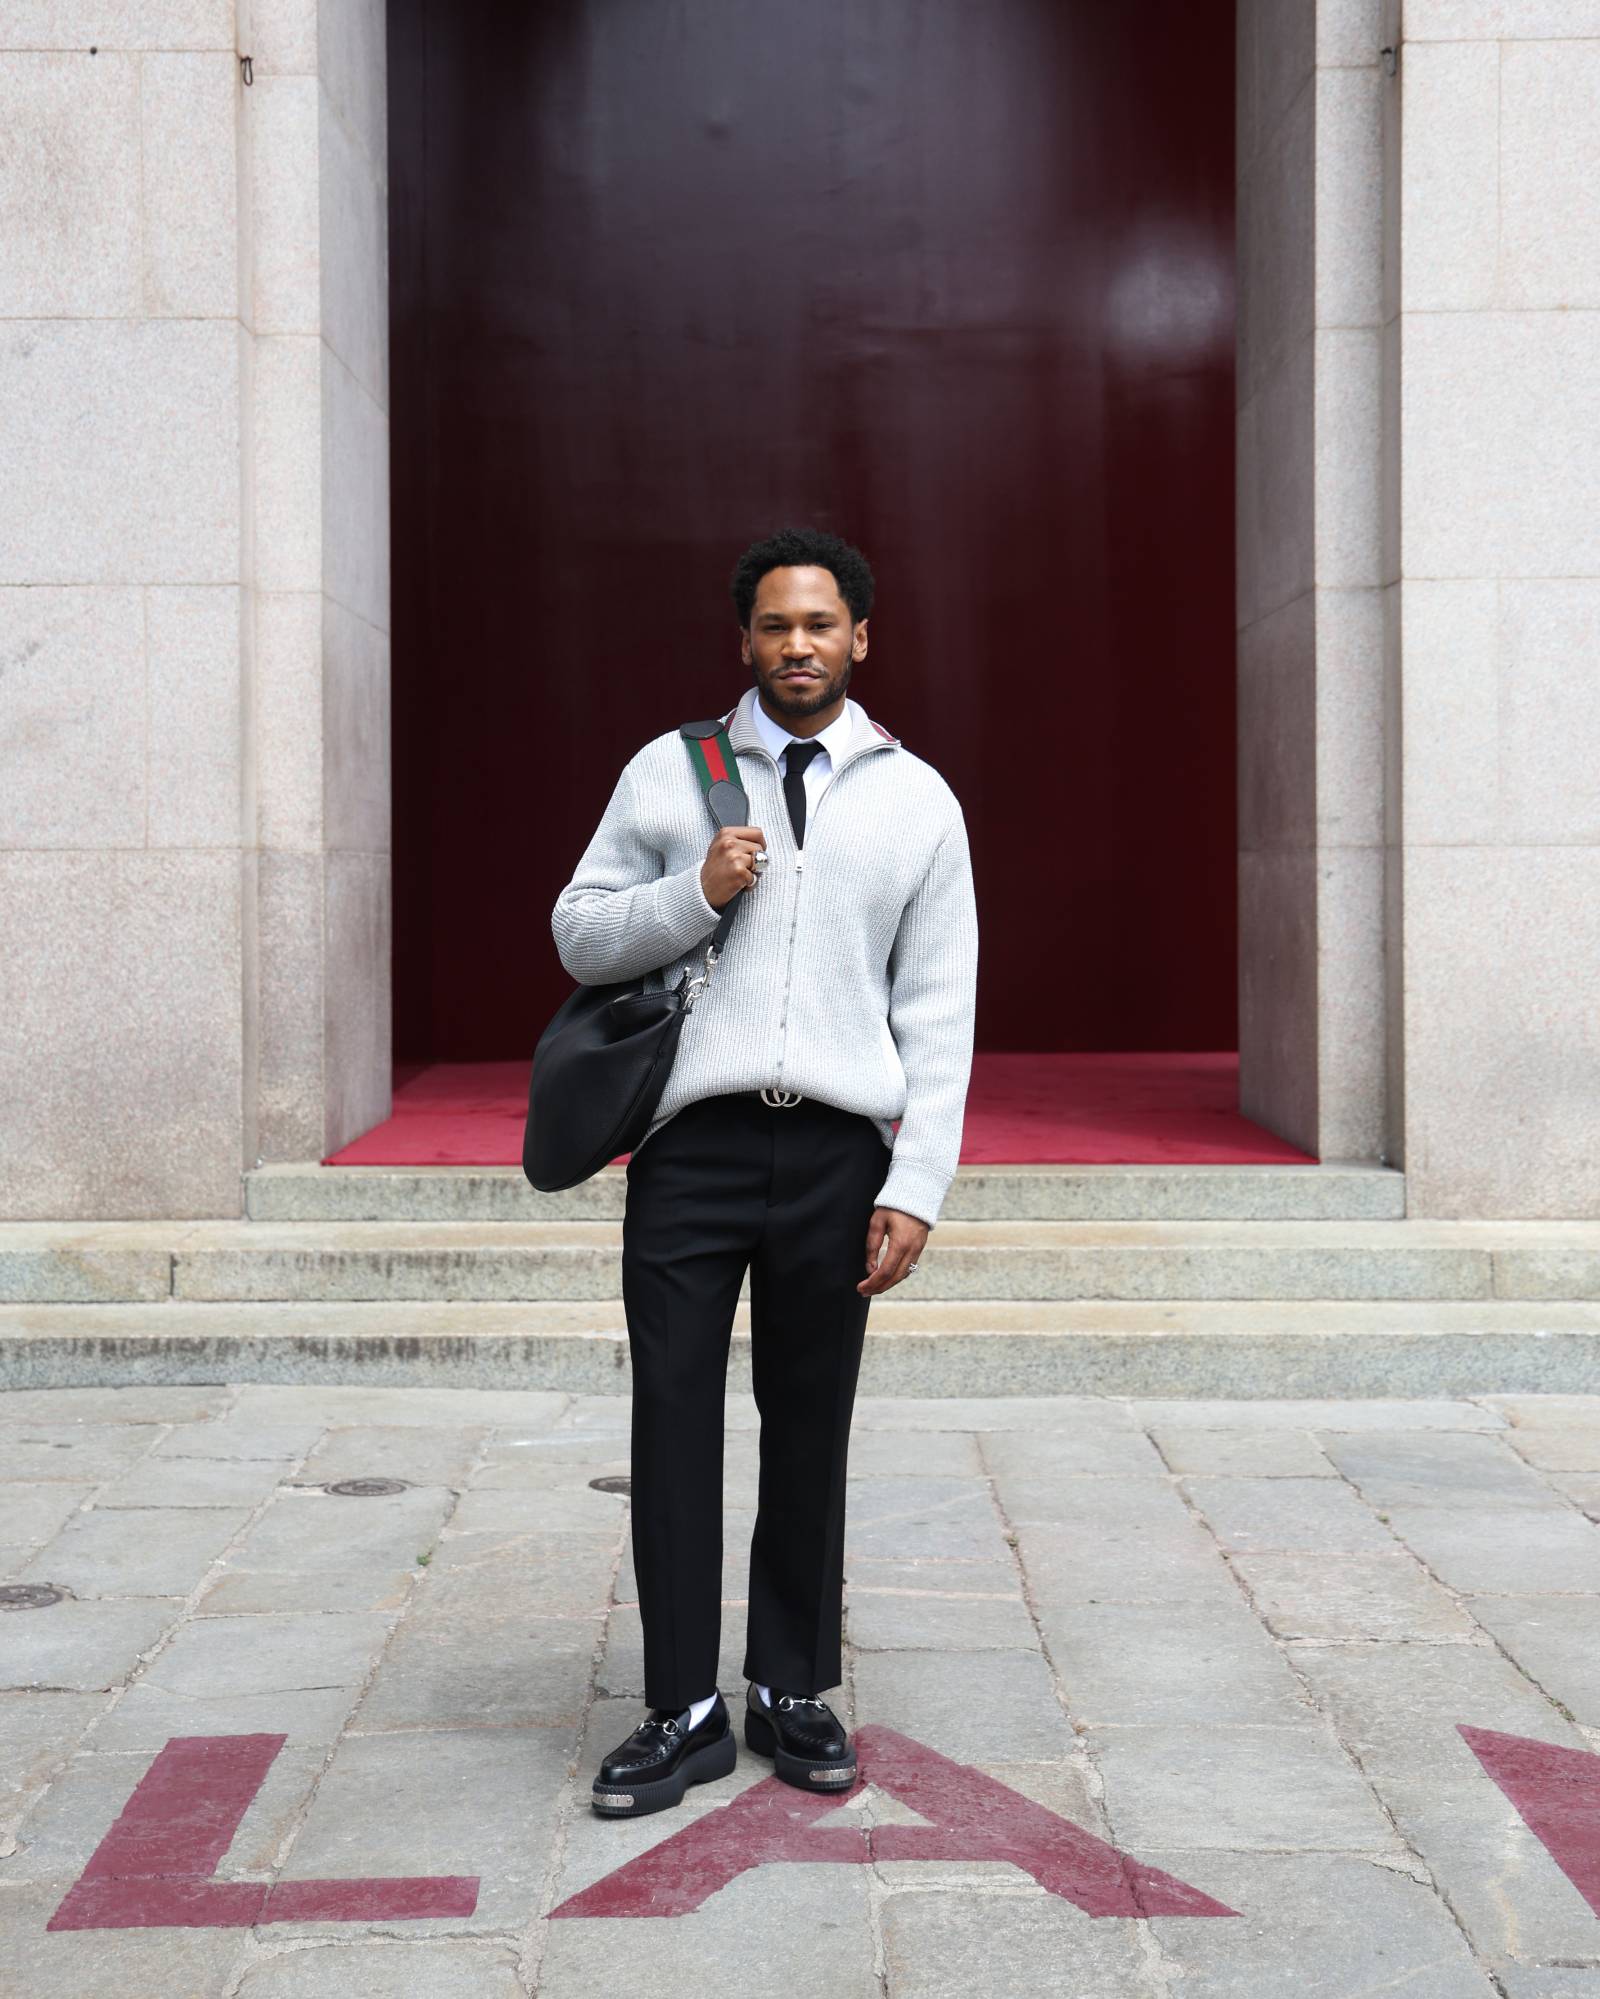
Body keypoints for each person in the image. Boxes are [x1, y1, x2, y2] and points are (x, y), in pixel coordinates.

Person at [551, 525, 978, 1817]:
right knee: (671, 1420)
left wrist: (918, 1185)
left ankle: (793, 1685)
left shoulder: (917, 800)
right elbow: (578, 932)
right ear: (746, 640)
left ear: (862, 638)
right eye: (776, 626)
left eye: (821, 624)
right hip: (694, 1148)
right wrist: (694, 890)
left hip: (840, 1156)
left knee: (810, 1425)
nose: (799, 645)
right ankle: (679, 1706)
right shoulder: (671, 774)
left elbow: (941, 1006)